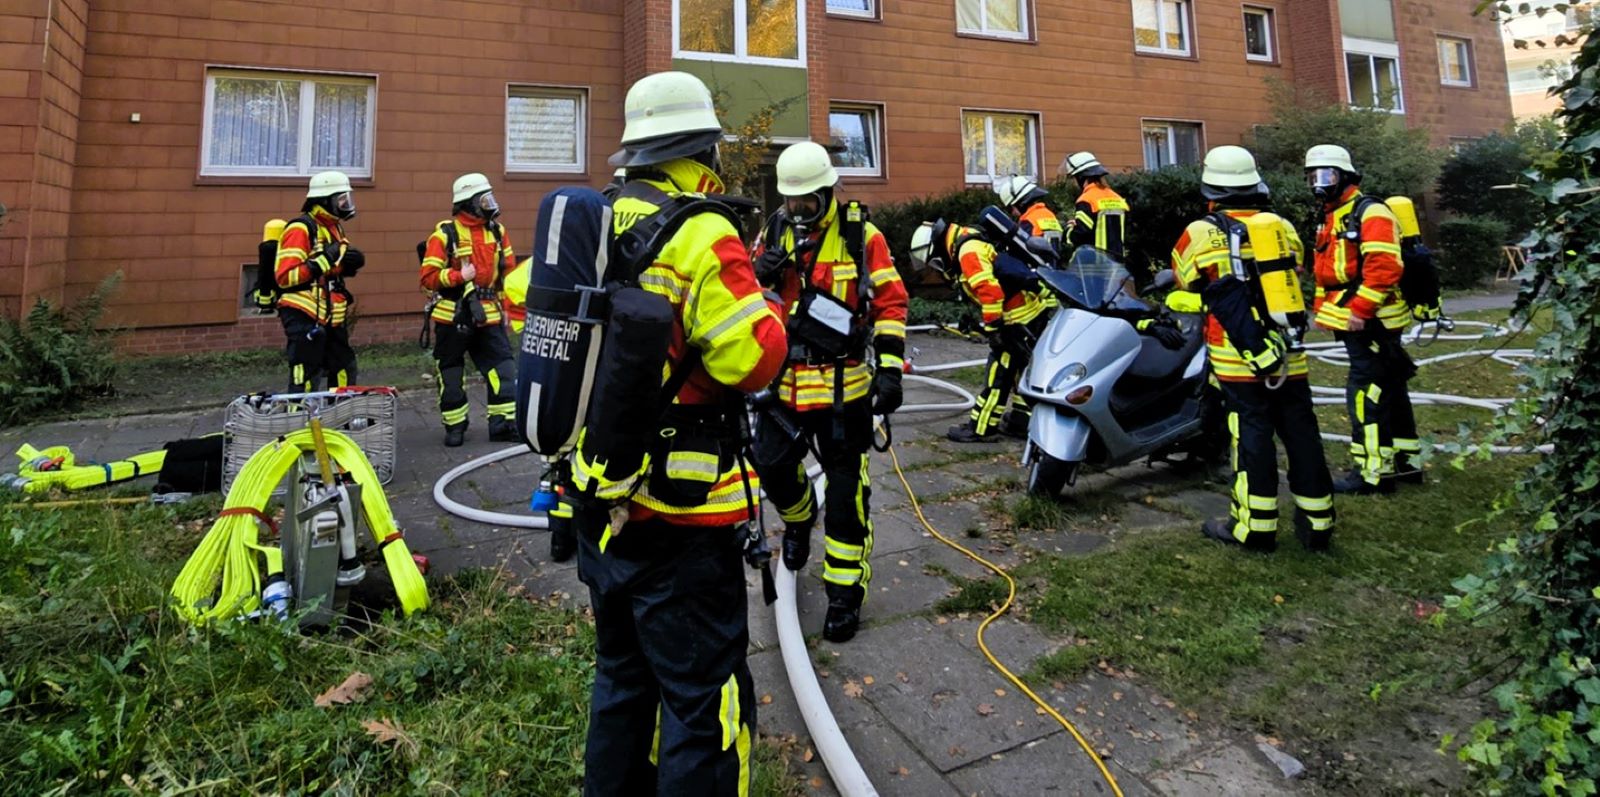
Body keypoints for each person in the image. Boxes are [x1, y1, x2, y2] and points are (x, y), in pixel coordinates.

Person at [568, 71, 787, 796]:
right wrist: (772, 307)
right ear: (702, 148)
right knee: (703, 702)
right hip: (684, 519)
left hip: (602, 497)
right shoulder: (701, 229)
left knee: (622, 682)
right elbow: (752, 358)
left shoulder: (596, 218)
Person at [750, 140, 908, 643]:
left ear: (829, 193)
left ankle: (844, 596)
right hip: (786, 388)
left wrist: (889, 371)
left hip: (845, 391)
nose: (798, 212)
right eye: (791, 202)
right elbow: (746, 300)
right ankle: (798, 521)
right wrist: (759, 278)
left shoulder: (864, 237)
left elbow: (891, 304)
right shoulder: (772, 231)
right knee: (771, 467)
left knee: (846, 498)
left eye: (807, 203)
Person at [1172, 146, 1336, 552]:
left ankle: (1254, 527)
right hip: (1288, 351)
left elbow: (1183, 276)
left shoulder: (1200, 231)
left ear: (1211, 190)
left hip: (1238, 357)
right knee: (1302, 432)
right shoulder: (1280, 225)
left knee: (1251, 436)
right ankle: (1318, 522)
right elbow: (1297, 266)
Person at [1305, 144, 1419, 495]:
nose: (1317, 184)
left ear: (1344, 176)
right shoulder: (1334, 214)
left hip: (1373, 320)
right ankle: (1407, 463)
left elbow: (1384, 268)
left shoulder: (1370, 213)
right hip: (1361, 317)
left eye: (1325, 175)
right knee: (1391, 387)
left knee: (1365, 392)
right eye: (1312, 177)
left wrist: (1359, 311)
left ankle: (1373, 473)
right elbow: (1331, 271)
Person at [908, 218, 1046, 441]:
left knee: (998, 375)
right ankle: (1022, 421)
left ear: (937, 248)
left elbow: (990, 292)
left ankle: (981, 428)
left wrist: (994, 329)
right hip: (1027, 313)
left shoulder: (967, 252)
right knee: (1021, 371)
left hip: (1014, 320)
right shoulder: (966, 237)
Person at [419, 173, 519, 447]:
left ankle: (503, 425)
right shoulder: (444, 236)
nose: (490, 204)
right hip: (453, 314)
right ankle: (455, 426)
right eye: (484, 199)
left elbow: (508, 273)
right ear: (468, 203)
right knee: (451, 373)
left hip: (488, 314)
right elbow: (428, 277)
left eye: (490, 197)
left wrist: (508, 305)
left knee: (504, 370)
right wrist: (457, 277)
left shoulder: (498, 232)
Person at [274, 171, 364, 392]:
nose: (346, 204)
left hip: (329, 312)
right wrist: (326, 259)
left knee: (344, 367)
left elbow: (329, 268)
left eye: (347, 199)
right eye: (341, 199)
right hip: (303, 311)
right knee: (306, 373)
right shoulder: (301, 228)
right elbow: (286, 277)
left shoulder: (333, 227)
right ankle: (300, 420)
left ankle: (338, 416)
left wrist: (347, 266)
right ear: (325, 201)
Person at [1060, 151, 1129, 262]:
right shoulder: (1117, 198)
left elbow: (1080, 235)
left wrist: (1069, 229)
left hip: (1096, 265)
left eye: (1073, 177)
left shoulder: (1086, 199)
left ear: (1080, 177)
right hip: (1117, 265)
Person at [994, 174, 1063, 250]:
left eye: (1010, 209)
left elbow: (1019, 249)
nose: (1013, 213)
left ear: (1020, 203)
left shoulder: (1028, 221)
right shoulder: (1048, 214)